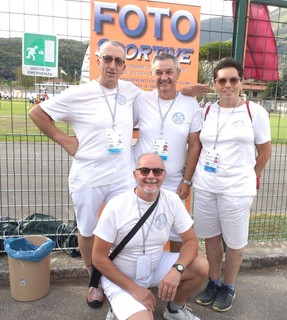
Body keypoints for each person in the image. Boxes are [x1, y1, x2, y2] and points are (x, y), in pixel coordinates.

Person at [28, 39, 210, 309]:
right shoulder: (80, 93)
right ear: (98, 61)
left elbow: (165, 88)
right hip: (88, 176)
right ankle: (94, 280)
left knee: (128, 229)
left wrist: (185, 89)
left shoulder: (130, 91)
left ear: (124, 66)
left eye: (118, 61)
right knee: (88, 230)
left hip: (124, 175)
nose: (112, 65)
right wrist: (65, 141)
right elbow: (37, 112)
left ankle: (127, 280)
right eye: (107, 59)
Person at [192, 57, 272, 312]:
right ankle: (214, 282)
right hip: (205, 185)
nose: (227, 85)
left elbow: (265, 152)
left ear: (241, 82)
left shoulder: (254, 112)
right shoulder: (205, 110)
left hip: (236, 189)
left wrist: (250, 177)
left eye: (233, 80)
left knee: (235, 241)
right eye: (222, 80)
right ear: (214, 84)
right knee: (212, 237)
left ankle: (229, 286)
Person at [92, 153, 209, 320]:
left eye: (157, 171)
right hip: (122, 276)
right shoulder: (116, 206)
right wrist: (134, 288)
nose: (151, 176)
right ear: (135, 174)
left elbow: (191, 241)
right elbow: (98, 258)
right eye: (145, 171)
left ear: (164, 175)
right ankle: (119, 303)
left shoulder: (172, 200)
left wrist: (177, 269)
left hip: (155, 266)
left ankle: (175, 309)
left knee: (201, 265)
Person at [133, 52, 202, 252]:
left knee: (178, 232)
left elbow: (195, 145)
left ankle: (176, 272)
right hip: (143, 179)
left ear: (178, 74)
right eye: (159, 72)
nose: (164, 77)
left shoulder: (190, 105)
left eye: (169, 72)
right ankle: (138, 274)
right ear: (152, 75)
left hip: (174, 183)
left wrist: (187, 180)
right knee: (139, 229)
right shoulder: (141, 101)